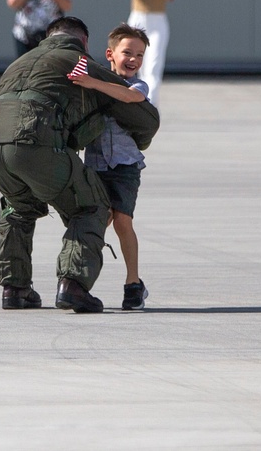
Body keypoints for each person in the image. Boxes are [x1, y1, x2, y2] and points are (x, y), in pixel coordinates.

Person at [0, 16, 159, 313]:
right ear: (84, 42)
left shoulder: (18, 64)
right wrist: (142, 141)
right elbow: (145, 118)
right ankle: (73, 285)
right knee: (92, 206)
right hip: (34, 146)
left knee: (17, 206)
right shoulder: (79, 62)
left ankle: (15, 288)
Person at [70, 24, 152, 311]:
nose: (133, 59)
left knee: (122, 221)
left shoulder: (137, 85)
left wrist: (93, 83)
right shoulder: (92, 81)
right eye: (127, 52)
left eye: (139, 55)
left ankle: (133, 284)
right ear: (110, 55)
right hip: (95, 164)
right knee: (94, 222)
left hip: (126, 166)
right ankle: (76, 282)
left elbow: (133, 98)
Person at [125, 0, 175, 106]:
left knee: (153, 65)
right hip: (138, 20)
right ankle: (138, 100)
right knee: (138, 63)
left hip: (157, 22)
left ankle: (151, 106)